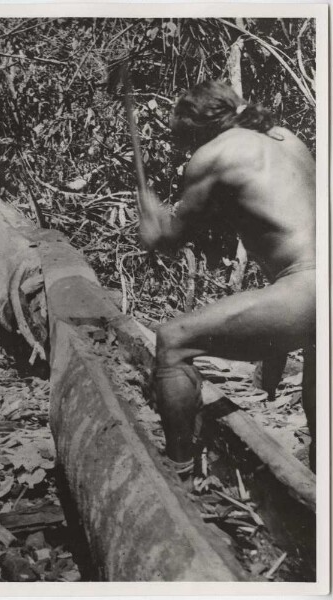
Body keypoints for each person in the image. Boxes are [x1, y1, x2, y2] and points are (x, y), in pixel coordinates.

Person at [138, 81, 316, 474]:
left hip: (309, 288)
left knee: (172, 341)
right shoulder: (286, 139)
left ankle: (178, 469)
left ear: (195, 128)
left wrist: (153, 224)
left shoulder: (213, 154)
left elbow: (172, 240)